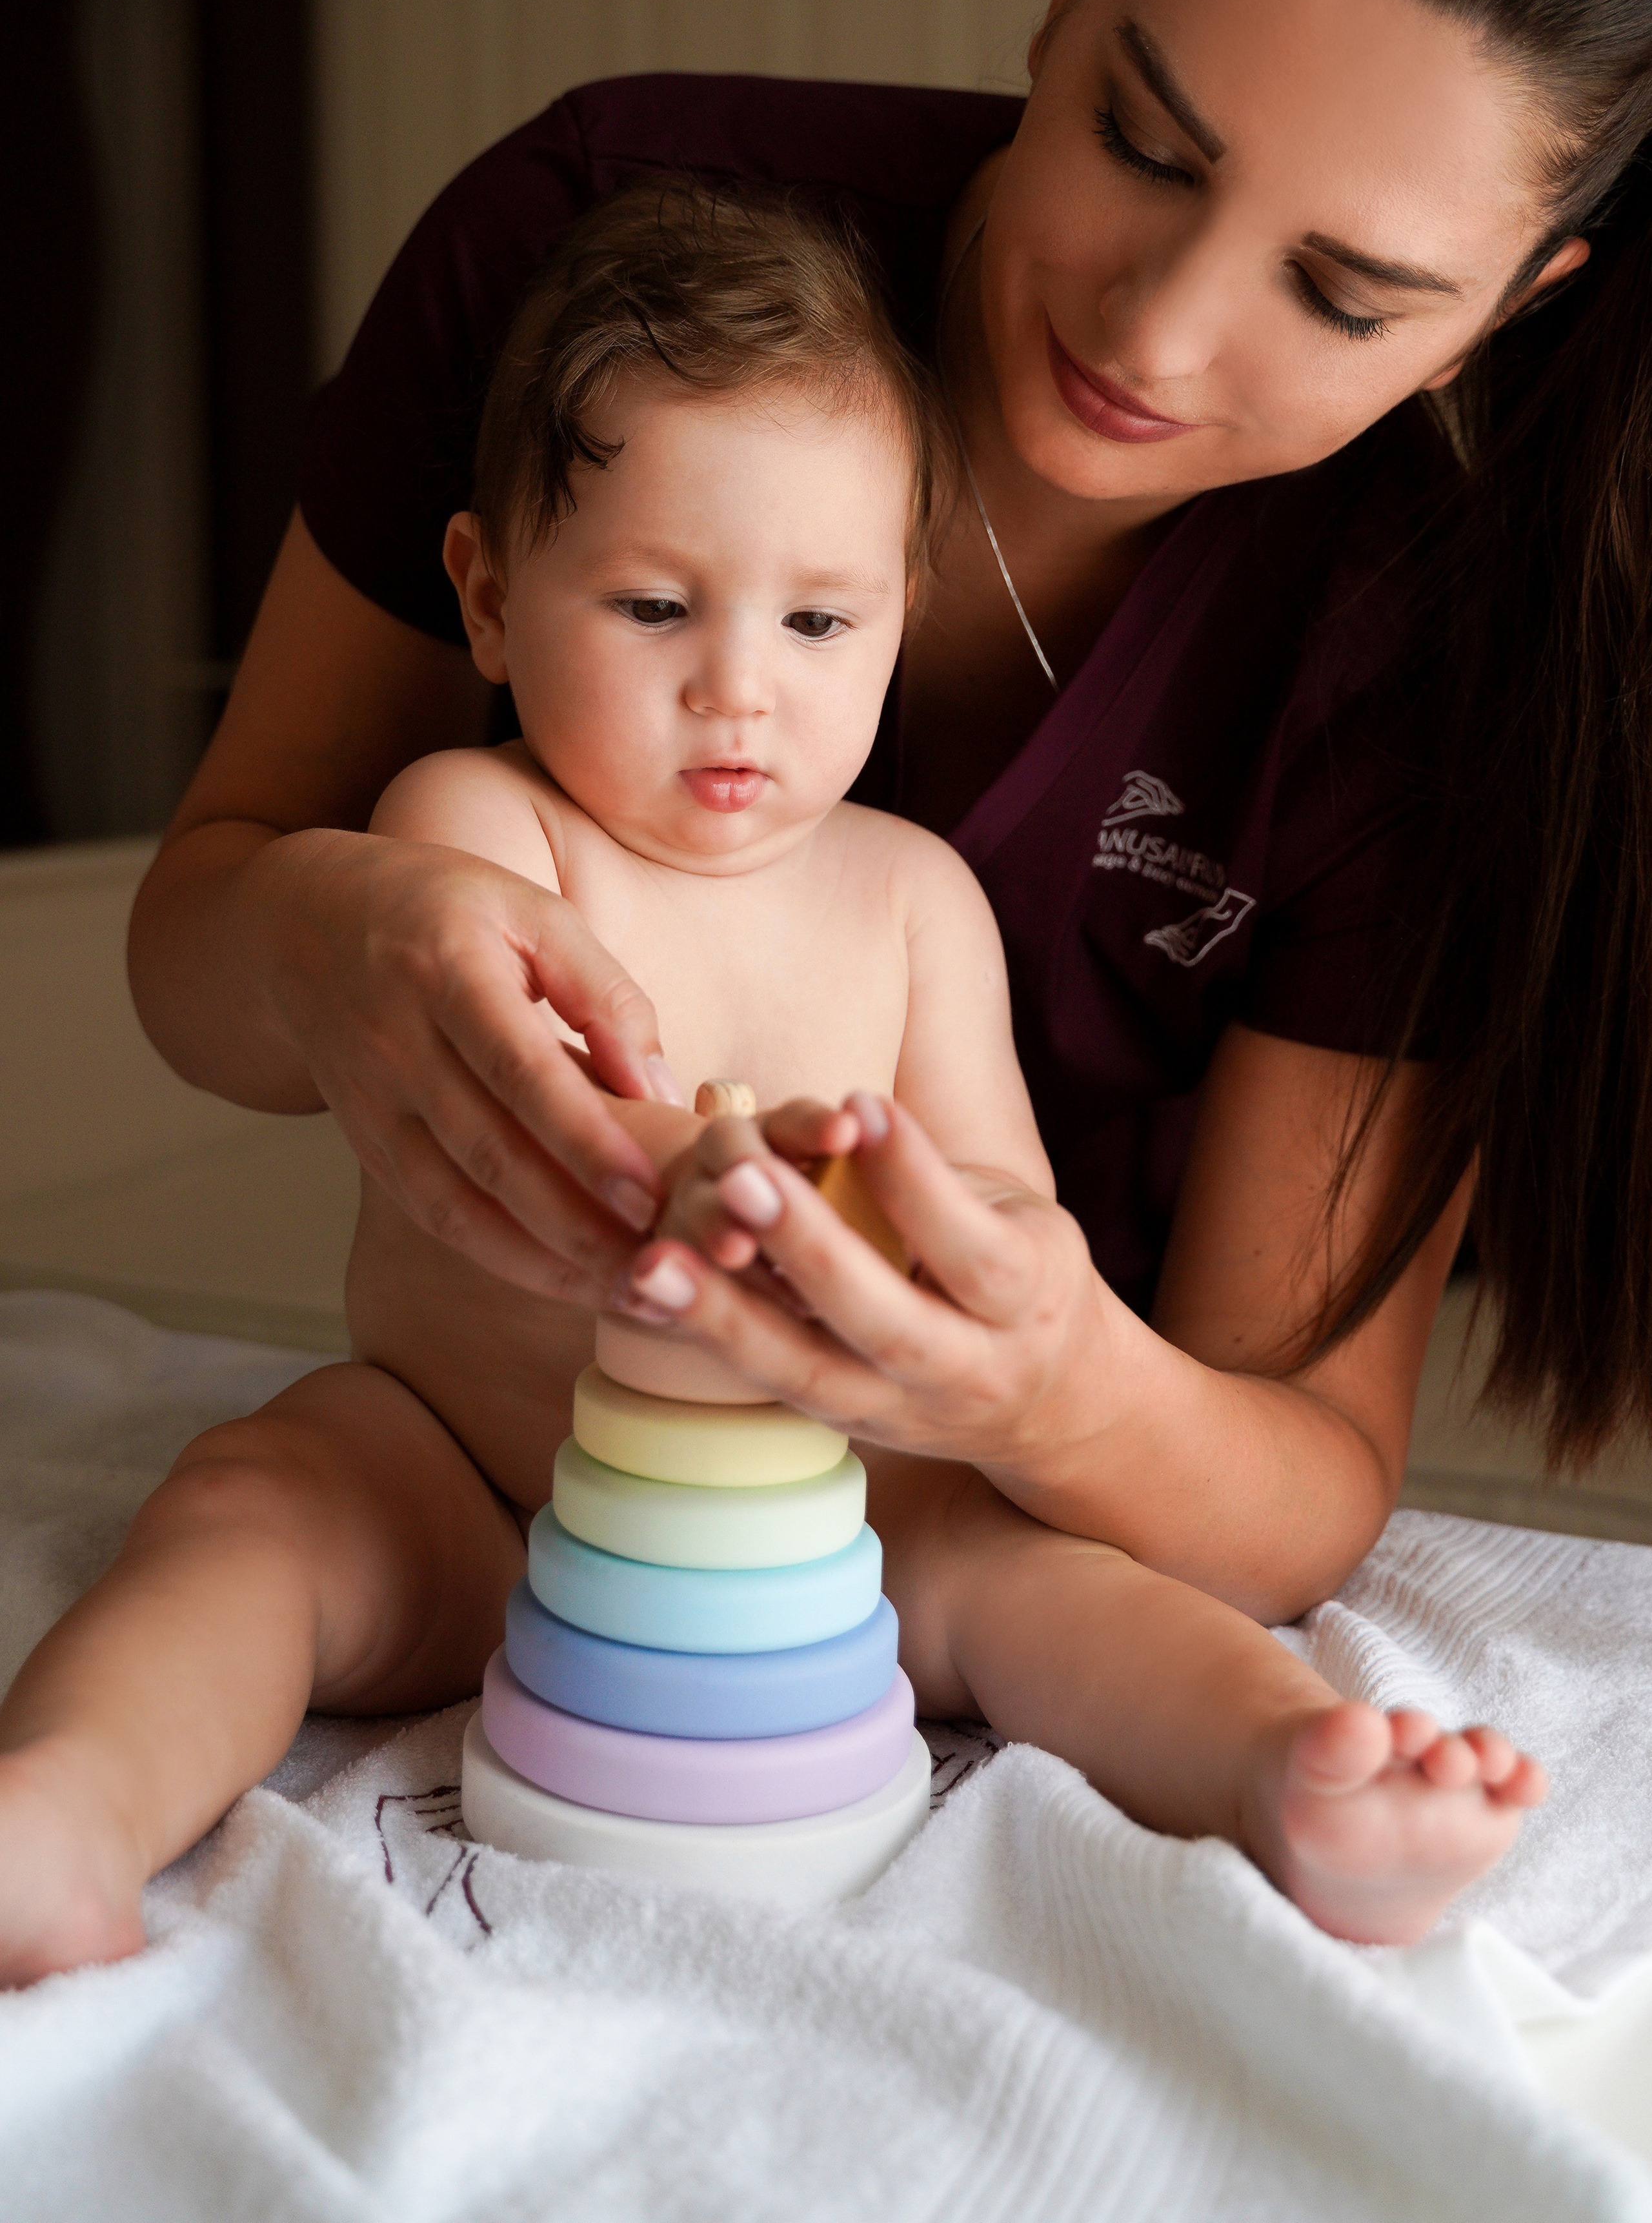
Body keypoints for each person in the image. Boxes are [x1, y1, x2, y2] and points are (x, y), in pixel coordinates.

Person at [0, 185, 1542, 1985]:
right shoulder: (472, 832)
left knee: (1054, 1591)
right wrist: (749, 1175)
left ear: (905, 612)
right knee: (249, 1510)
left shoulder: (914, 901)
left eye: (821, 624)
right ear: (491, 600)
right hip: (475, 1479)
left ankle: (1298, 1780)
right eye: (658, 604)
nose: (739, 690)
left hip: (837, 1511)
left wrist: (969, 1261)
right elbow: (557, 1123)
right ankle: (66, 1812)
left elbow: (1005, 1212)